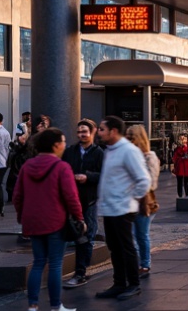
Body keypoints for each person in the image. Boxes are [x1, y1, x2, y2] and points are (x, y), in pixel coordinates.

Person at [12, 127, 82, 311]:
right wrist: (79, 218)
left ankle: (32, 308)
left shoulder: (27, 166)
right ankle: (55, 307)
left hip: (32, 221)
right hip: (55, 220)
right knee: (56, 263)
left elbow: (17, 196)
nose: (65, 145)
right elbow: (71, 197)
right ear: (55, 145)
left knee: (38, 262)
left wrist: (21, 216)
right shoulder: (62, 167)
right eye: (62, 141)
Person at [95, 116, 151, 301]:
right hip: (110, 209)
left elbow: (143, 180)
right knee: (115, 248)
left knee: (126, 248)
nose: (99, 132)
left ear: (113, 131)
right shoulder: (110, 150)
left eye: (102, 129)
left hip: (123, 209)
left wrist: (129, 198)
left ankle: (133, 284)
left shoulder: (128, 151)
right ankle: (119, 283)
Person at [61, 118, 103, 289]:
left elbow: (104, 174)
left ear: (92, 132)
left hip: (89, 200)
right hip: (71, 199)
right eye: (79, 132)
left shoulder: (98, 152)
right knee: (72, 234)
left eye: (84, 131)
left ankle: (81, 271)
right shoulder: (70, 151)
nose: (81, 135)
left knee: (87, 236)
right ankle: (76, 271)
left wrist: (88, 177)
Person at [126, 125, 160, 279]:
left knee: (140, 234)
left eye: (131, 137)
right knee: (133, 235)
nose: (128, 140)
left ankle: (144, 264)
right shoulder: (130, 155)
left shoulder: (149, 157)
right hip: (129, 201)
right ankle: (138, 264)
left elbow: (152, 183)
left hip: (144, 202)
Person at [172, 133, 188, 198]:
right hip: (180, 167)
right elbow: (174, 158)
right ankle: (180, 195)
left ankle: (187, 194)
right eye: (181, 139)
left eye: (184, 139)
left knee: (187, 182)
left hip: (187, 166)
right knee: (179, 182)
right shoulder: (177, 148)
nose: (182, 140)